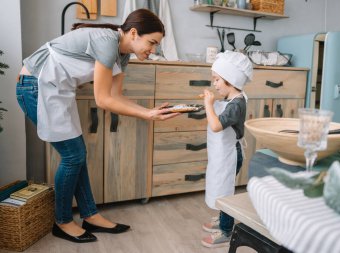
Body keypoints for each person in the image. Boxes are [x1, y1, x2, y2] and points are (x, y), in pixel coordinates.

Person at [16, 9, 179, 243]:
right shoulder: (107, 42)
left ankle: (90, 215)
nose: (153, 50)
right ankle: (62, 222)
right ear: (134, 33)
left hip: (56, 91)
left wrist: (151, 112)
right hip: (35, 87)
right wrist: (147, 114)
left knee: (77, 155)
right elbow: (104, 100)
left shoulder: (123, 54)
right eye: (151, 43)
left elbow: (116, 95)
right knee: (73, 156)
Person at [200, 51, 253, 248]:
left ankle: (225, 229)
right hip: (222, 153)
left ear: (230, 79)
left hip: (230, 153)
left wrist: (208, 105)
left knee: (225, 192)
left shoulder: (237, 104)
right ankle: (223, 218)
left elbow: (216, 126)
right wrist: (211, 104)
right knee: (221, 187)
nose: (214, 84)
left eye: (217, 79)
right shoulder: (233, 99)